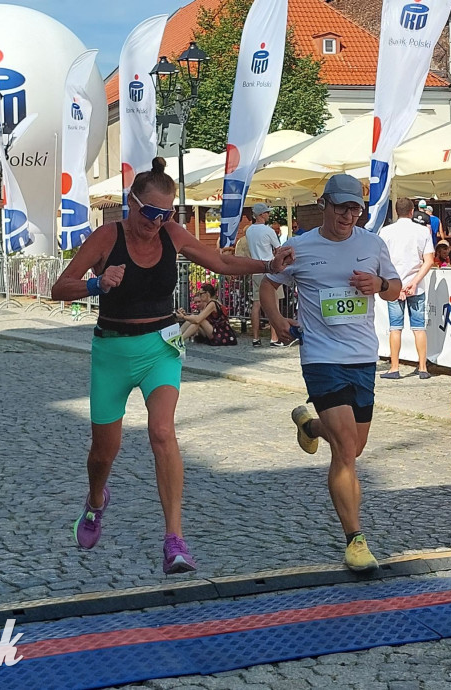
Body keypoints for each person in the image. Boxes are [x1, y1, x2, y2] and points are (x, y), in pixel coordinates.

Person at [51, 157, 293, 574]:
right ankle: (95, 500)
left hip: (160, 348)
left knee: (162, 432)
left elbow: (221, 263)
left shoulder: (173, 235)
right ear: (132, 203)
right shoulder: (106, 238)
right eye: (150, 213)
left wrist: (267, 266)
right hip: (112, 351)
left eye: (166, 215)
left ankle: (174, 540)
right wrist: (96, 283)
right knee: (103, 452)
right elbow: (59, 288)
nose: (156, 222)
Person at [261, 174, 402, 573]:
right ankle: (355, 540)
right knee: (344, 449)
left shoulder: (373, 244)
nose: (348, 214)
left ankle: (310, 426)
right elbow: (268, 287)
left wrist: (379, 284)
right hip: (321, 357)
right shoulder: (299, 248)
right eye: (340, 206)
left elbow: (395, 288)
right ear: (324, 205)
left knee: (354, 447)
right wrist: (277, 321)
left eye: (354, 207)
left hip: (362, 357)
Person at [378, 198, 435, 380]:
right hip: (416, 286)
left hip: (394, 286)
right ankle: (423, 367)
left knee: (395, 328)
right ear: (412, 211)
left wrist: (398, 286)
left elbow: (382, 262)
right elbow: (429, 261)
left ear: (396, 212)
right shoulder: (422, 231)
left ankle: (394, 367)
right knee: (419, 328)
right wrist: (415, 281)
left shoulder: (385, 232)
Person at [246, 203, 286, 347]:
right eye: (267, 213)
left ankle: (255, 338)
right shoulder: (268, 231)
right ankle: (274, 338)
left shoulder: (249, 230)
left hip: (255, 269)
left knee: (256, 304)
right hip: (270, 270)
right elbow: (279, 249)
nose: (269, 215)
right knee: (274, 305)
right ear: (262, 214)